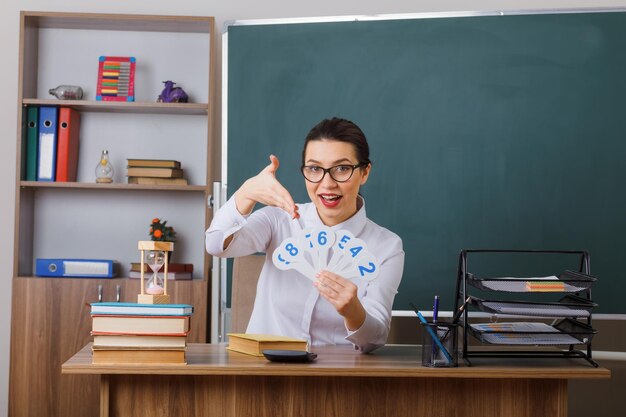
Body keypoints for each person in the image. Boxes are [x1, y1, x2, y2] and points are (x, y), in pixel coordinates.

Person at [205, 117, 404, 353]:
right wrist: (246, 194)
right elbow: (216, 245)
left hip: (335, 378)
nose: (327, 183)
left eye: (342, 168)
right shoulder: (279, 220)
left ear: (364, 172)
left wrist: (353, 312)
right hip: (264, 374)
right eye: (315, 169)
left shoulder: (387, 246)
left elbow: (374, 339)